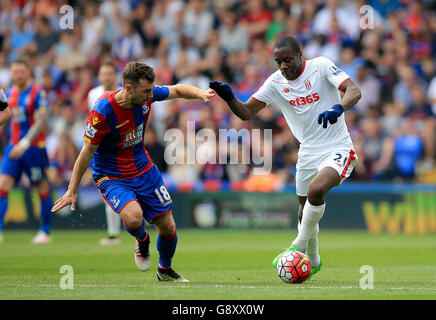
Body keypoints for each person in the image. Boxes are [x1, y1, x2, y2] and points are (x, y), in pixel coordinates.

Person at [209, 36, 361, 280]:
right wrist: (230, 98)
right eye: (278, 62)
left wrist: (339, 107)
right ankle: (314, 258)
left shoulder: (320, 66)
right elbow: (247, 111)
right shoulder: (275, 82)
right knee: (304, 210)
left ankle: (297, 246)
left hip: (337, 147)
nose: (283, 66)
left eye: (287, 60)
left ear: (300, 54)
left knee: (316, 190)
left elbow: (354, 90)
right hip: (308, 152)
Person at [52, 62, 214, 282]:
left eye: (151, 90)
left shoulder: (147, 95)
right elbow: (86, 152)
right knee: (135, 218)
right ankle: (142, 239)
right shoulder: (102, 112)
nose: (150, 96)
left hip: (143, 168)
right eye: (146, 91)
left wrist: (200, 93)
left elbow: (176, 89)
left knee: (168, 227)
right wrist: (72, 189)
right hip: (111, 175)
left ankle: (164, 270)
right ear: (129, 88)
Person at [0, 59, 53, 244]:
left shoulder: (38, 92)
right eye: (15, 72)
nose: (18, 75)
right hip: (12, 148)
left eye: (21, 71)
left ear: (28, 72)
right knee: (2, 185)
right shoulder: (9, 93)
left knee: (40, 187)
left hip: (33, 148)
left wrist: (25, 143)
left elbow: (41, 121)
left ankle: (45, 231)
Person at [87, 62, 123, 246]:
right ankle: (113, 234)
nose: (107, 77)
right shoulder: (93, 94)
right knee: (108, 191)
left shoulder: (123, 93)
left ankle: (120, 231)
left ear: (115, 76)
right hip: (102, 150)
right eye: (104, 73)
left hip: (122, 147)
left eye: (110, 73)